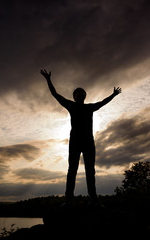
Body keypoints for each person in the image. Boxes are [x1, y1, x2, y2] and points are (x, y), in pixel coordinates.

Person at [40, 69, 121, 205]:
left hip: (89, 142)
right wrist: (48, 79)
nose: (80, 93)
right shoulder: (71, 105)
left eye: (82, 92)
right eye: (78, 92)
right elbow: (55, 94)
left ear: (85, 96)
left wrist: (113, 95)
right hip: (75, 142)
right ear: (74, 96)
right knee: (72, 170)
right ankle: (68, 199)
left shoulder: (90, 108)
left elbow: (102, 102)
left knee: (90, 171)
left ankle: (94, 199)